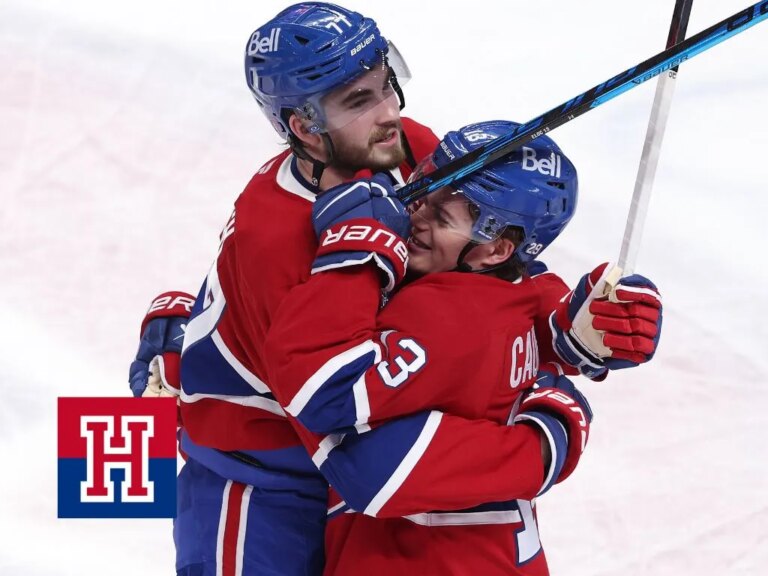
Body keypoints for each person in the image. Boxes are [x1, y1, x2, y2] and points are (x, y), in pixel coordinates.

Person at [128, 4, 662, 575]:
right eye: (358, 102)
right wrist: (543, 443)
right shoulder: (273, 241)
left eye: (385, 84)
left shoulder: (404, 150)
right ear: (305, 127)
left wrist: (563, 324)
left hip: (339, 494)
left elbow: (475, 277)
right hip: (257, 483)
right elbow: (362, 452)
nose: (389, 113)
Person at [264, 120, 662, 575]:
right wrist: (561, 353)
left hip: (268, 501)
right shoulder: (512, 292)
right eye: (422, 192)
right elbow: (530, 295)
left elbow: (350, 439)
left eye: (442, 216)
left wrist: (354, 254)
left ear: (495, 250)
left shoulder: (445, 315)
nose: (414, 216)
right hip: (468, 554)